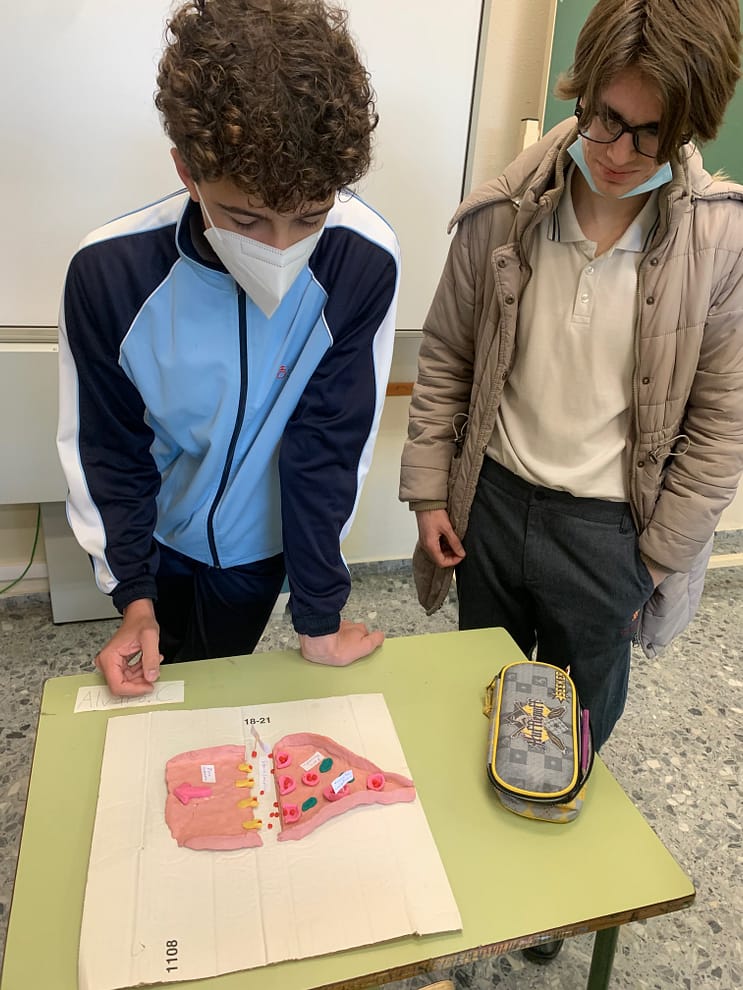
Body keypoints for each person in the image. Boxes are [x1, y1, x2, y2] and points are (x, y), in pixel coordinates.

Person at [401, 0, 742, 754]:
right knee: (480, 696)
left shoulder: (721, 242)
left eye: (651, 132)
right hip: (491, 502)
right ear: (582, 90)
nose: (619, 151)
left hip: (610, 532)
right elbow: (447, 355)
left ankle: (559, 804)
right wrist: (430, 492)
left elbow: (721, 426)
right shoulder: (504, 208)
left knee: (575, 731)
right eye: (606, 117)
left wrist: (652, 563)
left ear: (689, 126)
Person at [57, 0, 400, 697]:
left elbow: (328, 444)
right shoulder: (110, 274)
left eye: (309, 217)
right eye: (246, 219)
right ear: (187, 171)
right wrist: (134, 597)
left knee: (211, 690)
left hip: (255, 552)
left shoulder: (362, 261)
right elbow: (110, 447)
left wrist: (318, 616)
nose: (280, 249)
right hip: (155, 535)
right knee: (154, 678)